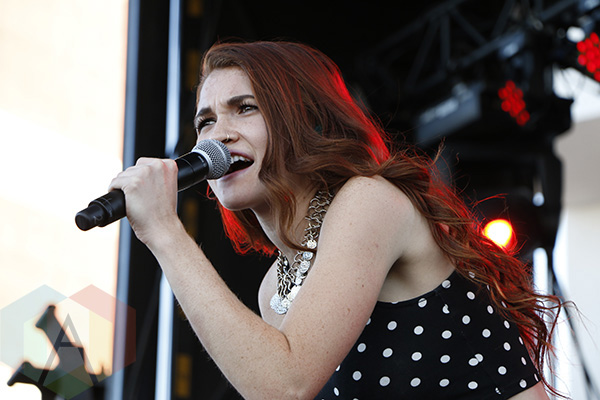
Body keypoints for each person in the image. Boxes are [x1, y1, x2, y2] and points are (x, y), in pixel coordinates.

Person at [109, 40, 564, 399]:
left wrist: (165, 232)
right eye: (205, 121)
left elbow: (285, 384)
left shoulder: (369, 202)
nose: (217, 135)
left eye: (245, 108)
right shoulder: (275, 290)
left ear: (302, 120)